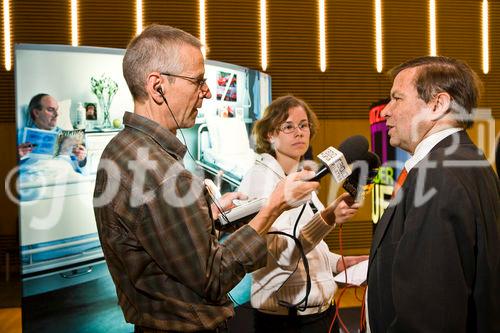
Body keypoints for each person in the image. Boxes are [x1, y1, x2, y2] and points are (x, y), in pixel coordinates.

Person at [92, 25, 355, 333]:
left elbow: (160, 239)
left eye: (304, 125)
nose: (207, 91)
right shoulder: (158, 171)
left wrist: (209, 215)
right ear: (157, 86)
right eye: (198, 80)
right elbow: (215, 277)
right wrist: (273, 208)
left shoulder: (123, 148)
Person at [366, 56, 500, 333]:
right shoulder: (467, 161)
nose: (386, 111)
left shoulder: (439, 176)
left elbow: (430, 316)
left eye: (397, 98)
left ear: (437, 104)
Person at [238, 95, 368, 333]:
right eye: (288, 127)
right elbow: (285, 253)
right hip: (286, 321)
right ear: (270, 135)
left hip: (321, 315)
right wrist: (328, 217)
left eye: (303, 125)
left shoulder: (302, 176)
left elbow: (311, 251)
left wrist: (337, 262)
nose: (299, 132)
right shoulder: (260, 180)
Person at [17, 93, 87, 172]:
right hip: (34, 176)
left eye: (56, 110)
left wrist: (81, 159)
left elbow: (81, 169)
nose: (57, 114)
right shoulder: (19, 136)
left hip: (64, 176)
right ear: (36, 113)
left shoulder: (68, 137)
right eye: (51, 110)